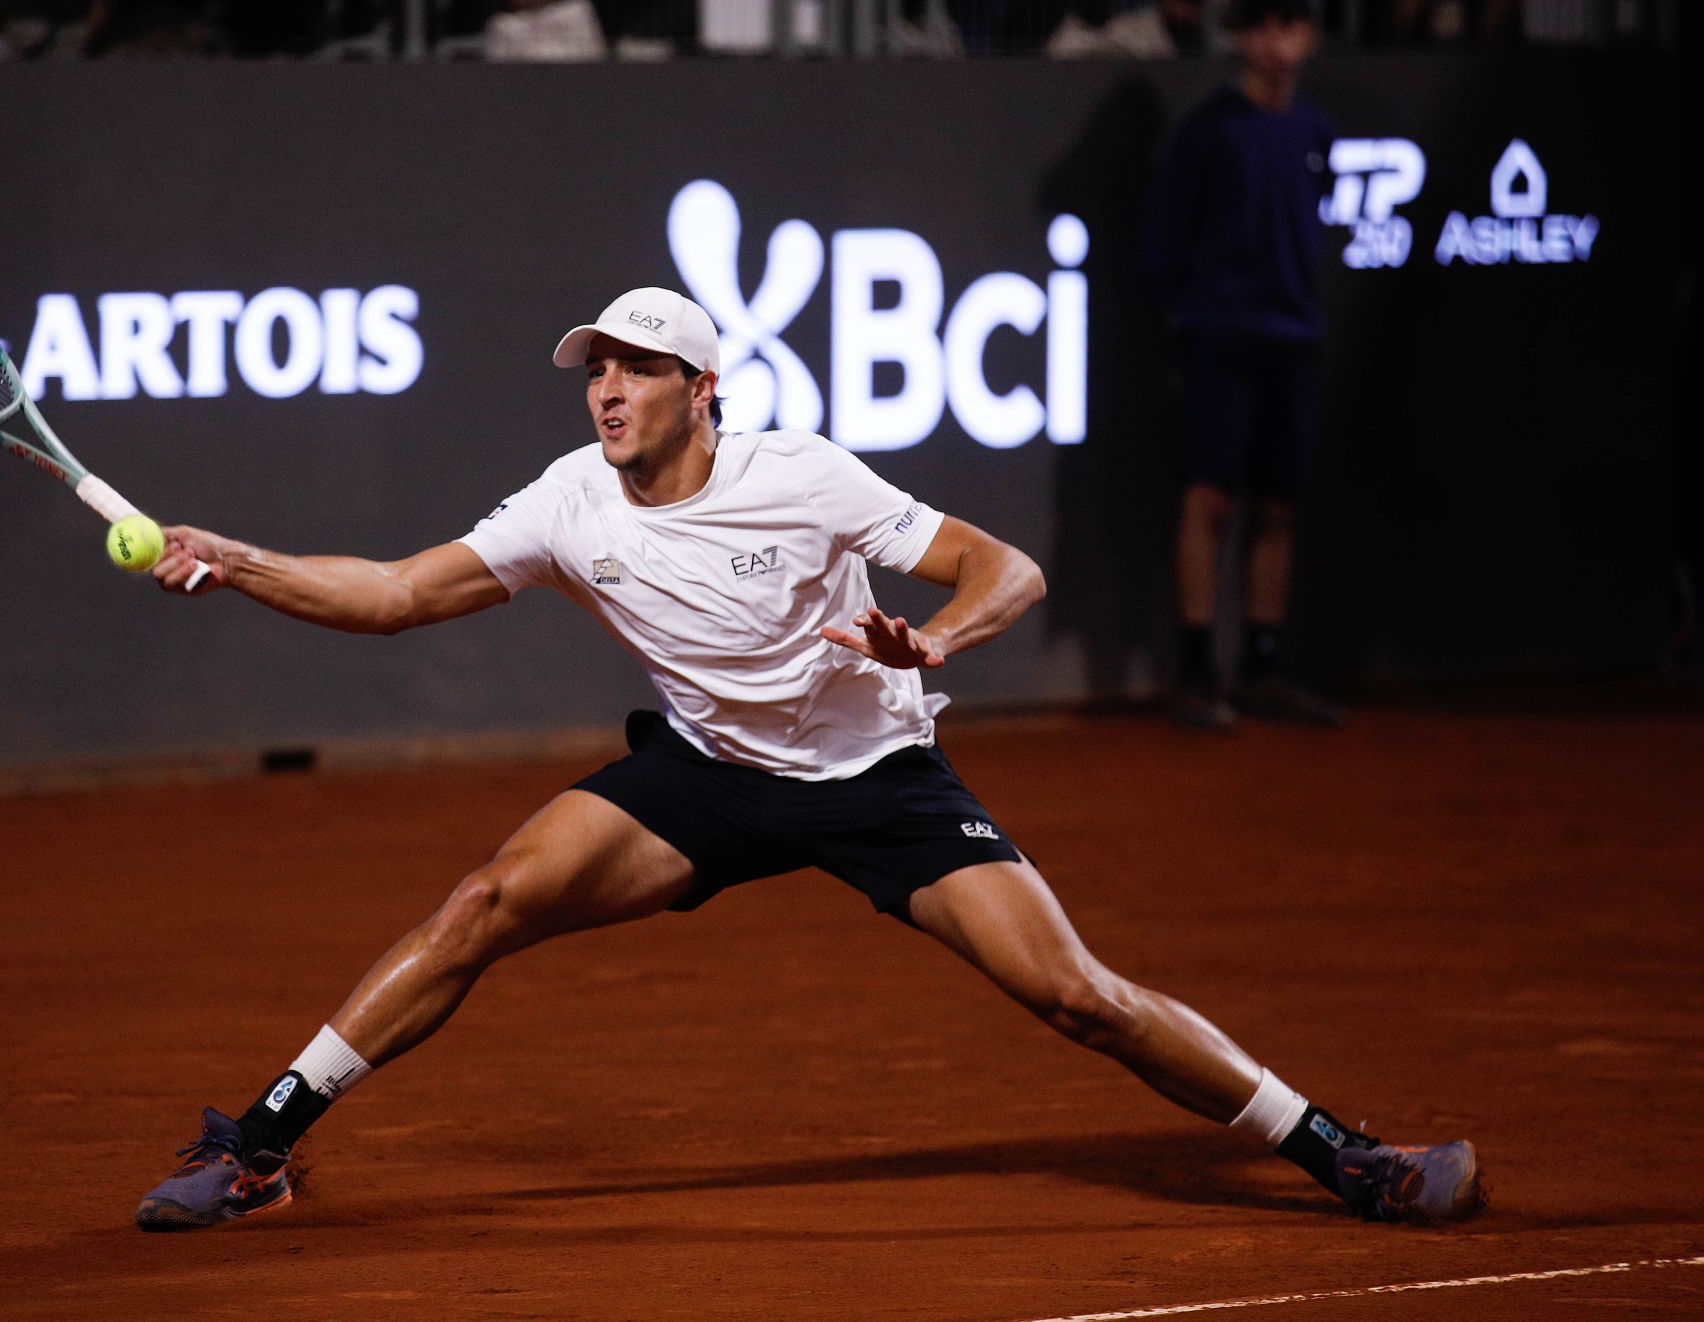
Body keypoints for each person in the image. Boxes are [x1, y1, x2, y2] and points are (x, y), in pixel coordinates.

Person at [132, 287, 1484, 1231]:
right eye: (597, 368)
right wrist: (239, 560)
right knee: (481, 902)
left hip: (877, 782)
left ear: (701, 390)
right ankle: (260, 1148)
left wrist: (937, 639)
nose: (607, 389)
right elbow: (391, 593)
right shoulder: (567, 497)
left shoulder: (801, 474)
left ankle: (1347, 1154)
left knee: (1077, 993)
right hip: (706, 776)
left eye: (637, 368)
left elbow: (1005, 566)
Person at [1144, 0, 1343, 729]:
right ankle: (1197, 673)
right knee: (1211, 501)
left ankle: (1262, 667)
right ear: (1239, 37)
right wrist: (1190, 319)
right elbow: (1166, 241)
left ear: (1308, 35)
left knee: (1280, 504)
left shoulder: (1317, 132)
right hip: (1220, 338)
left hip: (1294, 340)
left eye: (1288, 26)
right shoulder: (1208, 131)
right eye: (1260, 27)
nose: (1275, 43)